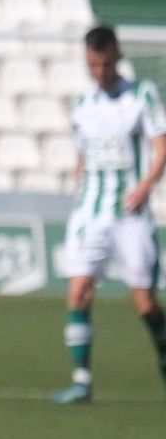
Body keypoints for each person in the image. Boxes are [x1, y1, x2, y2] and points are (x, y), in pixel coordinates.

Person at [51, 26, 166, 404]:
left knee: (144, 302)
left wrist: (146, 185)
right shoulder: (83, 105)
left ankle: (163, 350)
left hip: (129, 214)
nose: (98, 72)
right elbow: (82, 155)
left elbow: (161, 145)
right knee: (79, 291)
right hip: (90, 213)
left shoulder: (141, 95)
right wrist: (78, 189)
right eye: (92, 66)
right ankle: (81, 380)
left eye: (104, 64)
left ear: (117, 57)